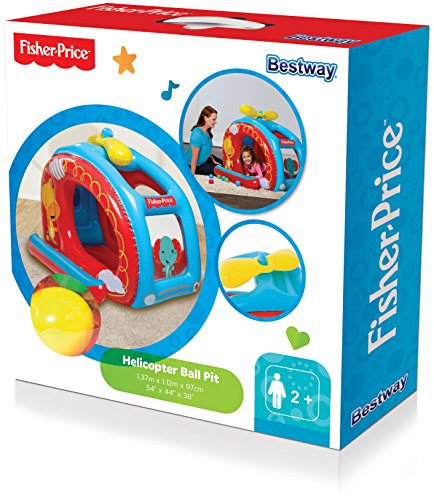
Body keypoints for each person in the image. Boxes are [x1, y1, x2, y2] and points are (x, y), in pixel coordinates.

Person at [185, 106, 223, 175]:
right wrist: (191, 175)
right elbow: (194, 157)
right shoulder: (197, 134)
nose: (215, 122)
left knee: (223, 163)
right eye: (213, 119)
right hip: (196, 164)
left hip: (205, 159)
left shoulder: (207, 132)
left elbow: (206, 149)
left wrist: (213, 160)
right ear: (205, 118)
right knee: (219, 170)